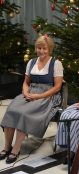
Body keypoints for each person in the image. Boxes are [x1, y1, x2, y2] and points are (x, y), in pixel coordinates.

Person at [0, 34, 64, 164]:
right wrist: (25, 91)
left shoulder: (56, 64)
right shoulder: (32, 62)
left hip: (48, 95)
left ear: (49, 49)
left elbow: (57, 87)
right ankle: (7, 147)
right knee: (12, 109)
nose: (41, 51)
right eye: (39, 48)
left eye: (44, 48)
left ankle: (16, 150)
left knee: (24, 113)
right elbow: (25, 82)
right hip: (31, 92)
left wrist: (39, 96)